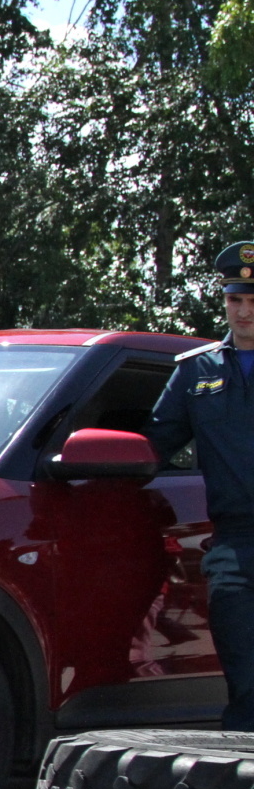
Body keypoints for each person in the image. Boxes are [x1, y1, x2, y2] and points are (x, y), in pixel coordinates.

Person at [146, 241, 254, 731]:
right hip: (235, 539)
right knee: (243, 671)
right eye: (236, 301)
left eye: (253, 301)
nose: (245, 312)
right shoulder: (197, 371)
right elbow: (152, 447)